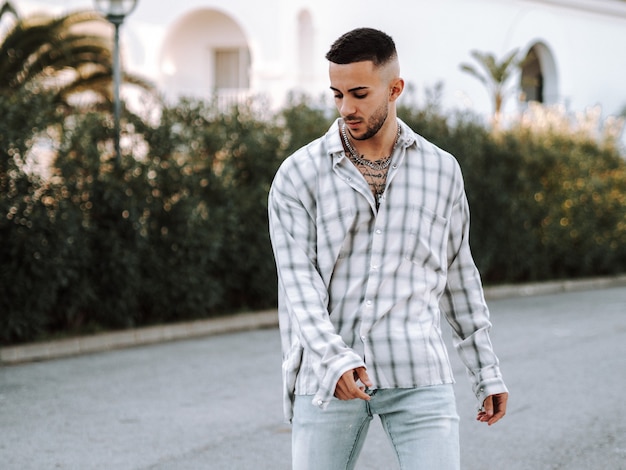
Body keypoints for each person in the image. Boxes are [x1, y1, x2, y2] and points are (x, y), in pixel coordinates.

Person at [268, 27, 508, 470]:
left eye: (359, 93)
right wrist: (332, 359)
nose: (346, 108)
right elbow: (298, 283)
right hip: (328, 378)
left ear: (395, 88)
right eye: (337, 94)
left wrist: (485, 370)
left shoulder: (441, 171)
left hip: (417, 372)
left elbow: (458, 275)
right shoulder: (298, 175)